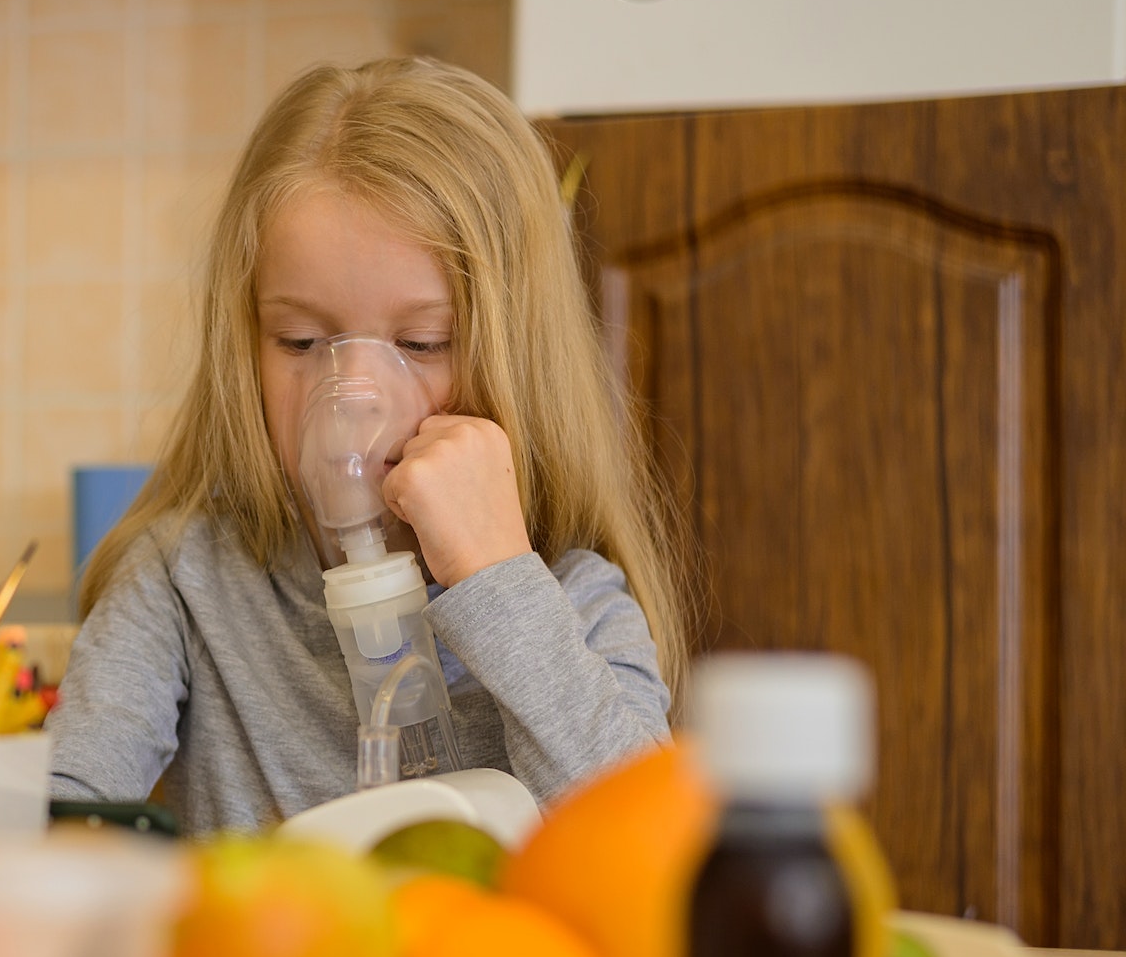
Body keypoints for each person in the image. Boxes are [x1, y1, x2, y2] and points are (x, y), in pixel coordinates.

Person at [48, 57, 690, 836]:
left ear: (516, 356)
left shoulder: (572, 603)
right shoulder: (187, 584)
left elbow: (646, 852)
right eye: (301, 339)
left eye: (420, 343)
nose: (352, 399)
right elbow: (62, 822)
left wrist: (497, 581)